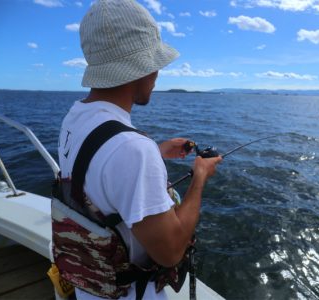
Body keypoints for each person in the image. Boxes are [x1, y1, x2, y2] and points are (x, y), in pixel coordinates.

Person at [57, 0, 222, 299]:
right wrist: (199, 177)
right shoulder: (133, 150)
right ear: (138, 69)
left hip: (90, 288)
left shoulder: (75, 117)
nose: (157, 73)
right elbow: (170, 252)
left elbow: (95, 175)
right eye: (154, 64)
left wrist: (156, 152)